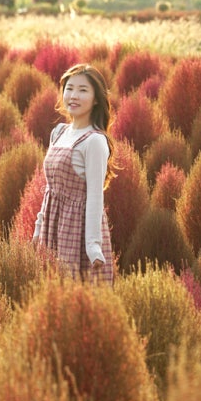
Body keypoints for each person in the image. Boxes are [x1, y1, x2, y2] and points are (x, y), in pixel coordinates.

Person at [33, 63, 115, 285]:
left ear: (96, 98)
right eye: (69, 88)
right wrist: (39, 227)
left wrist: (93, 245)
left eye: (83, 90)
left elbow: (95, 196)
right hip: (52, 224)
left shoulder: (94, 141)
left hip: (76, 230)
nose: (74, 96)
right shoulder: (58, 132)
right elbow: (50, 188)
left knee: (76, 294)